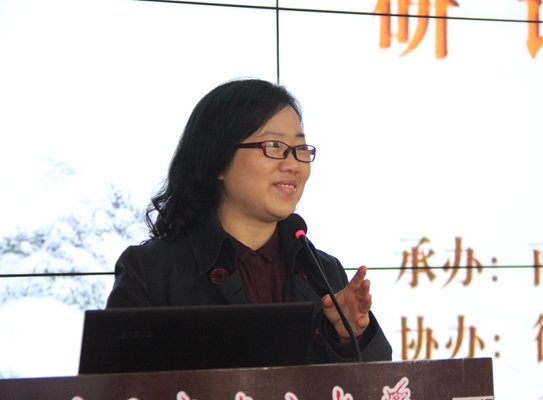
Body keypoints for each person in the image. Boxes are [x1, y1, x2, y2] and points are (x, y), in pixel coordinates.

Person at [106, 78, 392, 363]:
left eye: (300, 148)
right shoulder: (150, 272)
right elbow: (115, 382)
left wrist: (350, 338)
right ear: (218, 161)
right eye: (274, 145)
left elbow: (379, 381)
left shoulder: (322, 272)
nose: (293, 164)